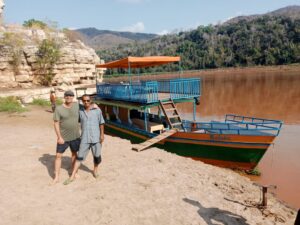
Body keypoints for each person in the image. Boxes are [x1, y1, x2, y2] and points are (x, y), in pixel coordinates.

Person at [64, 94, 105, 185]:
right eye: (84, 101)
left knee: (97, 156)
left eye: (88, 100)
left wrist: (102, 135)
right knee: (79, 157)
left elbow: (101, 123)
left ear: (91, 101)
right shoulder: (80, 112)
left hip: (96, 138)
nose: (86, 102)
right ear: (82, 102)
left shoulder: (97, 111)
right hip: (84, 138)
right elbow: (71, 107)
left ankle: (95, 171)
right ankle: (72, 176)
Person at [52, 90, 81, 184]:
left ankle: (74, 172)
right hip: (63, 137)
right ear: (64, 97)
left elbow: (88, 105)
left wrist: (95, 105)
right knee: (58, 156)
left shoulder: (77, 106)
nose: (69, 97)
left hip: (75, 136)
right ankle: (56, 176)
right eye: (67, 96)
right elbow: (56, 123)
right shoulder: (59, 109)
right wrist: (59, 137)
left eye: (71, 96)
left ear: (73, 97)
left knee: (74, 154)